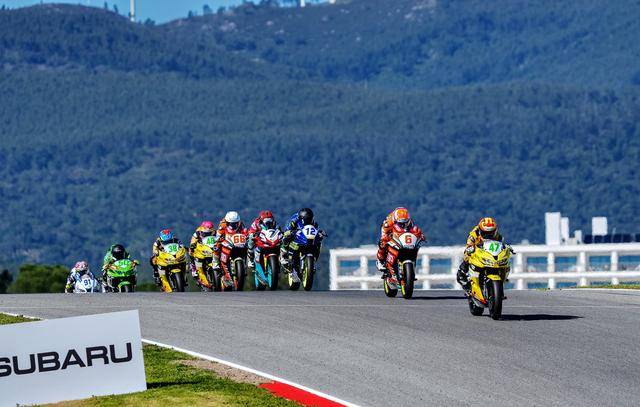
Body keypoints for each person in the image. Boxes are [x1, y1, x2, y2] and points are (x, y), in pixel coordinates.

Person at [456, 217, 507, 291]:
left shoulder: (498, 236)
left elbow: (501, 245)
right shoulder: (473, 235)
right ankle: (462, 273)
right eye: (485, 233)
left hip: (489, 253)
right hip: (478, 250)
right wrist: (470, 249)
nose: (488, 235)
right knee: (467, 256)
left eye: (491, 233)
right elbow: (469, 245)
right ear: (480, 230)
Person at [375, 207, 426, 281]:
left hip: (403, 238)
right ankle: (380, 260)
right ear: (395, 220)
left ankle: (410, 271)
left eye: (405, 222)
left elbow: (414, 231)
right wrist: (385, 237)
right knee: (383, 243)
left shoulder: (410, 222)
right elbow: (384, 232)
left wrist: (421, 236)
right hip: (389, 230)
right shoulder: (388, 223)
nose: (403, 225)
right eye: (401, 223)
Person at [280, 208, 325, 280]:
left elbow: (316, 229)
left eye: (310, 218)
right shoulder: (295, 220)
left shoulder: (313, 222)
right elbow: (288, 228)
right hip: (296, 237)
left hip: (307, 240)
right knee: (285, 238)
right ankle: (283, 255)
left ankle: (313, 260)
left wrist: (320, 233)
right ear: (302, 218)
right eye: (307, 219)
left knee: (318, 243)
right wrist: (289, 232)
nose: (309, 220)